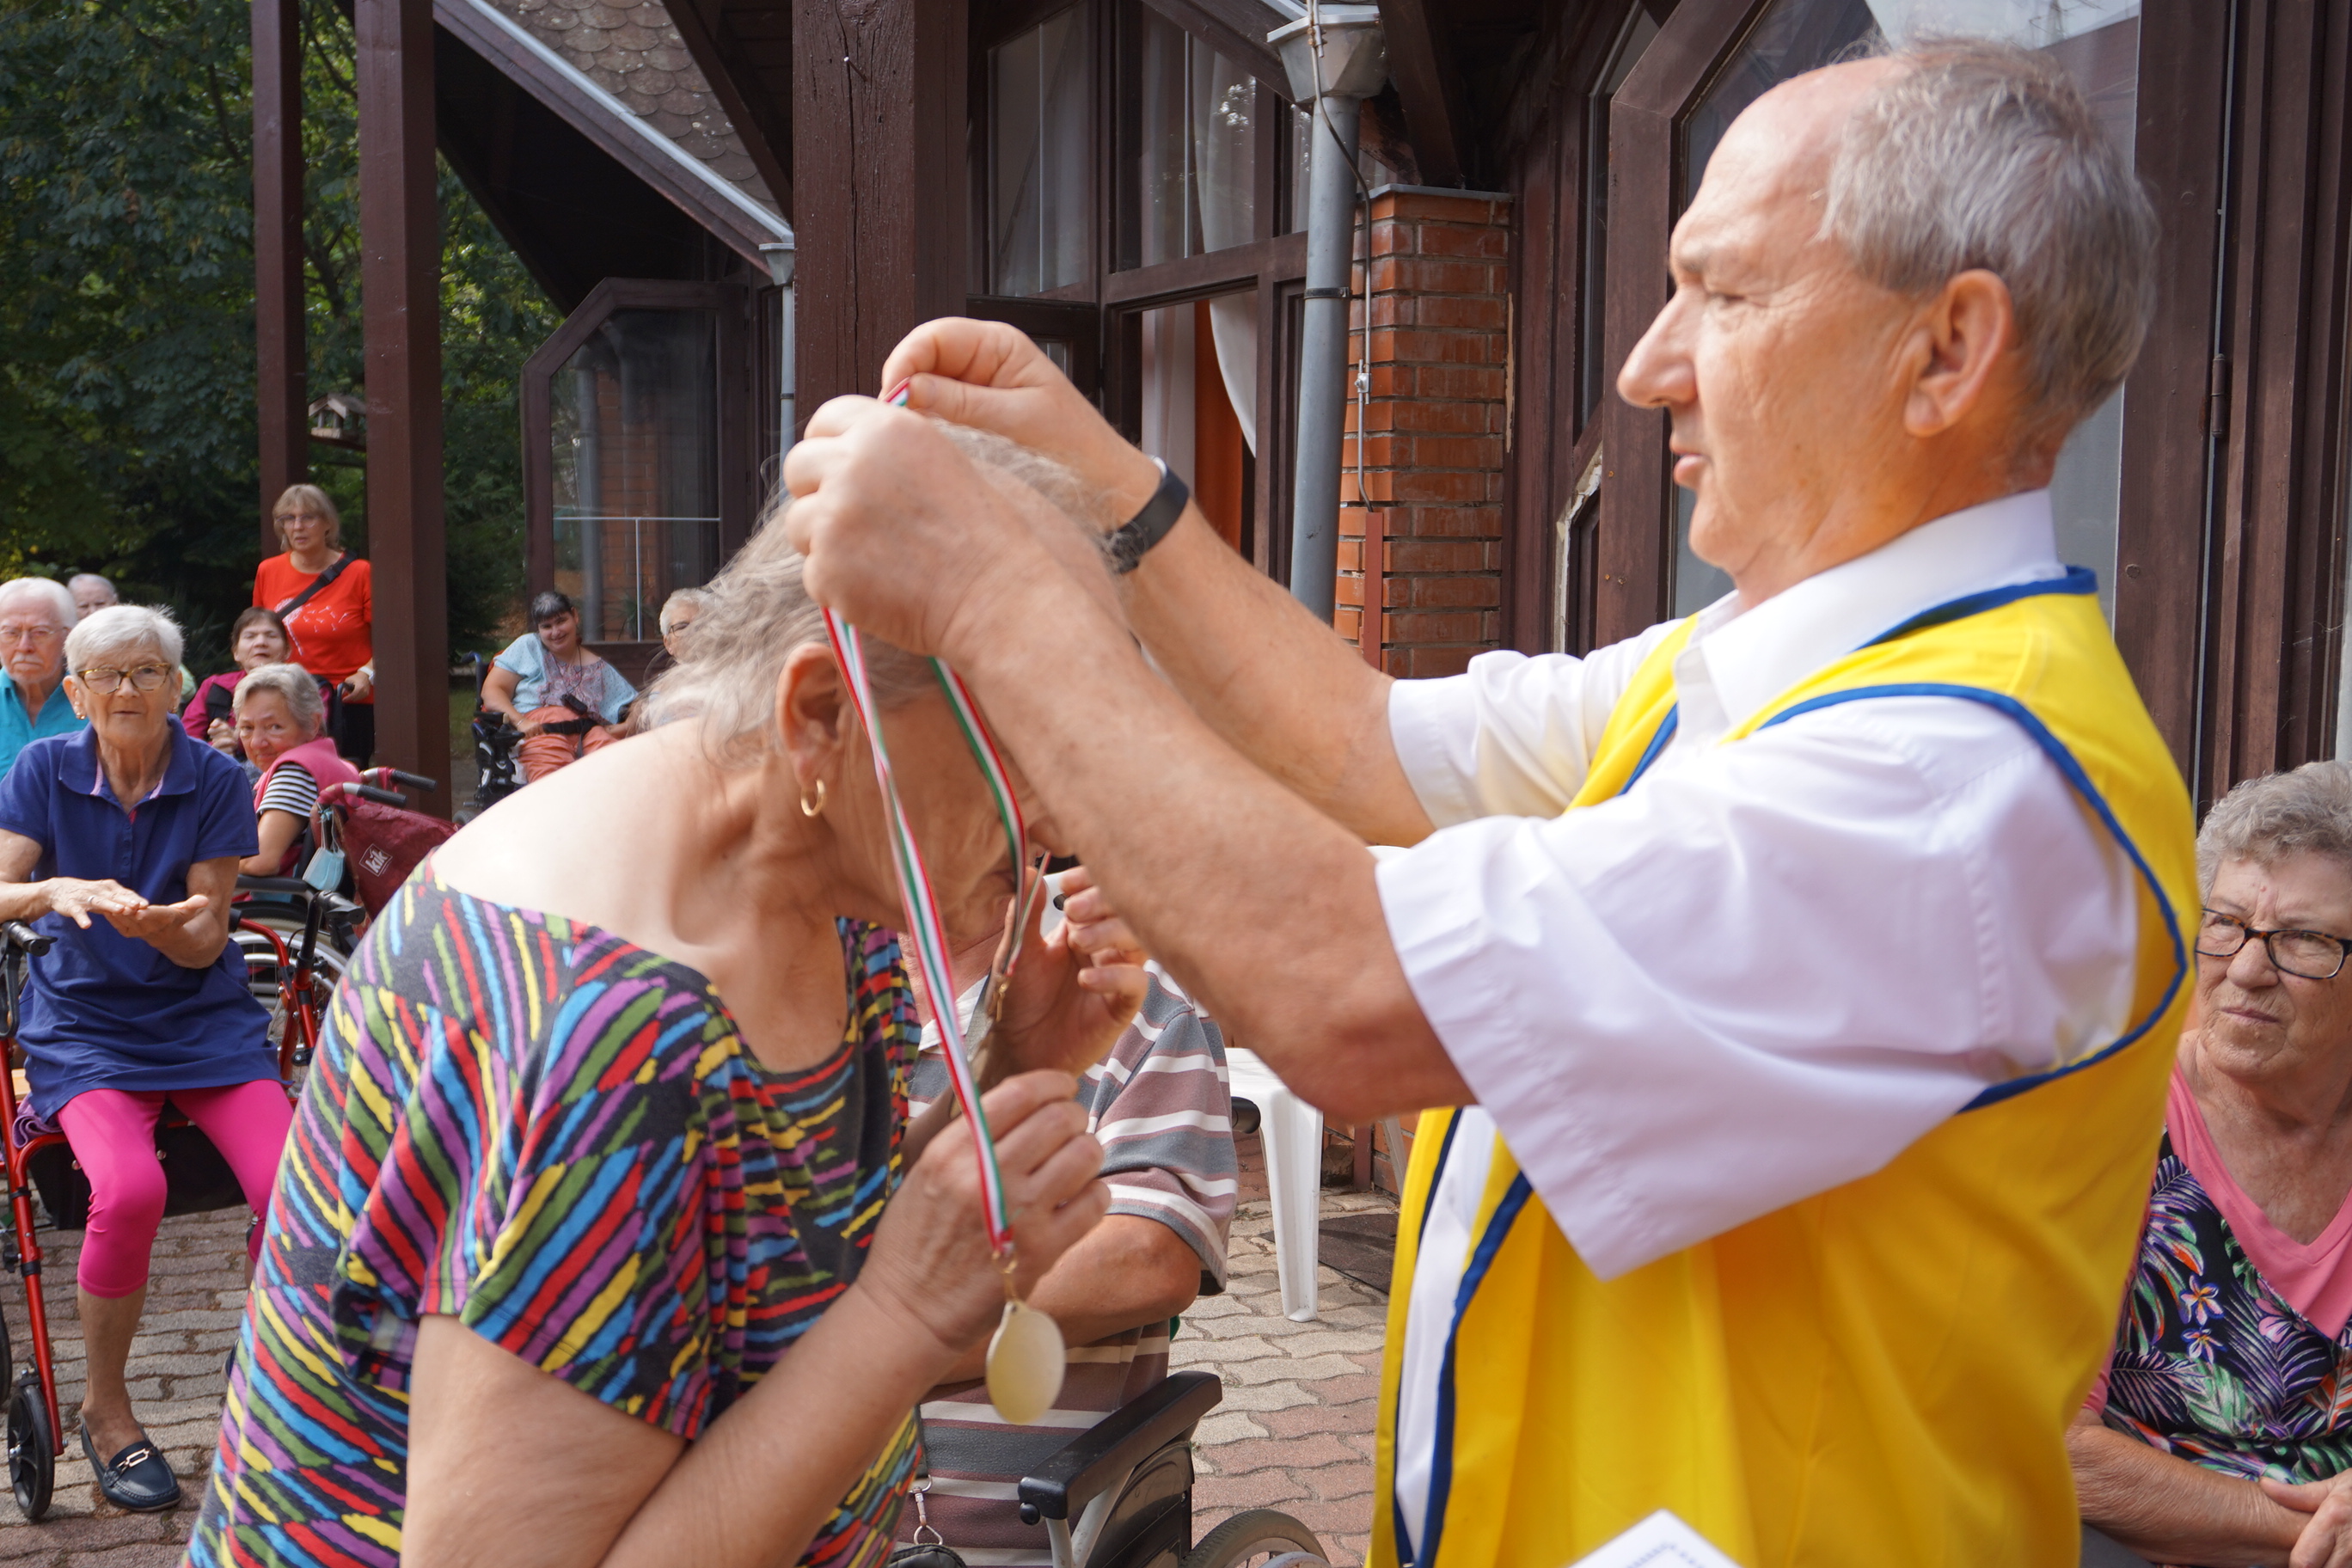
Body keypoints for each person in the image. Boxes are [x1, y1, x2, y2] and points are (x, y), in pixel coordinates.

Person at [778, 37, 2196, 1567]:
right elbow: (1360, 744)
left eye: (1721, 294)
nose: (1647, 366)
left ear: (1947, 351)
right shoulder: (1778, 673)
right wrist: (1104, 474)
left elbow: (1344, 992)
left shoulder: (1947, 784)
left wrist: (995, 593)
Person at [188, 432, 1149, 1568]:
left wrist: (1019, 1060)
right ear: (821, 714)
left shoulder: (820, 871)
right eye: (1028, 750)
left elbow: (779, 1245)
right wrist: (904, 1318)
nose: (1059, 818)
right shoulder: (613, 1031)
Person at [0, 603, 293, 1513]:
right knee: (129, 1190)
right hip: (83, 1025)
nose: (128, 689)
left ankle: (277, 1383)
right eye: (108, 674)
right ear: (77, 690)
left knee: (295, 1183)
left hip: (203, 1020)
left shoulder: (216, 776)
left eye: (148, 672)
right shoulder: (42, 767)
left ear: (176, 685)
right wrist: (54, 888)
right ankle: (107, 1411)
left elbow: (207, 937)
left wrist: (167, 929)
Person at [2074, 762, 2352, 1568]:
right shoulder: (2114, 1119)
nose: (2247, 968)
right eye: (2225, 922)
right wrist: (2314, 1534)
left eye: (2303, 939)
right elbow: (2047, 1439)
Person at [900, 924, 1235, 1564]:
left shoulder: (1127, 994)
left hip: (1025, 1536)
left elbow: (1148, 1259)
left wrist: (878, 1355)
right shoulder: (795, 1000)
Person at [253, 483, 373, 763]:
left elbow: (391, 639)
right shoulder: (268, 571)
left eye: (308, 517)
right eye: (289, 518)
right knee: (290, 775)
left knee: (344, 779)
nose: (298, 526)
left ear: (328, 523)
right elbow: (258, 634)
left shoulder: (360, 573)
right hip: (288, 698)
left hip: (347, 700)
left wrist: (367, 674)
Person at [480, 590, 639, 781]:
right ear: (538, 629)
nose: (555, 632)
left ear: (575, 616)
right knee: (554, 783)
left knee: (622, 772)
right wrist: (520, 722)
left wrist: (621, 727)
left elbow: (639, 705)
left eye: (561, 621)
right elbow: (491, 691)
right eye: (546, 626)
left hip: (586, 731)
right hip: (539, 730)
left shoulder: (599, 668)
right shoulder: (528, 647)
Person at [232, 662, 360, 878]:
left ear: (312, 724)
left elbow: (260, 861)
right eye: (247, 728)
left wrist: (198, 868)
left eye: (274, 727)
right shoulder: (335, 763)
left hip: (273, 898)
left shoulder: (296, 772)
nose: (256, 742)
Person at [184, 608, 334, 765]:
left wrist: (238, 738)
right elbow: (185, 741)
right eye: (250, 636)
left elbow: (314, 739)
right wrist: (214, 749)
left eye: (271, 636)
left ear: (287, 650)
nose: (261, 642)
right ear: (235, 652)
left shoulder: (310, 687)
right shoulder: (214, 686)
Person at [0, 578, 84, 775]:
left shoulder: (98, 700)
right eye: (11, 633)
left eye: (39, 633)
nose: (24, 646)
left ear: (69, 637)